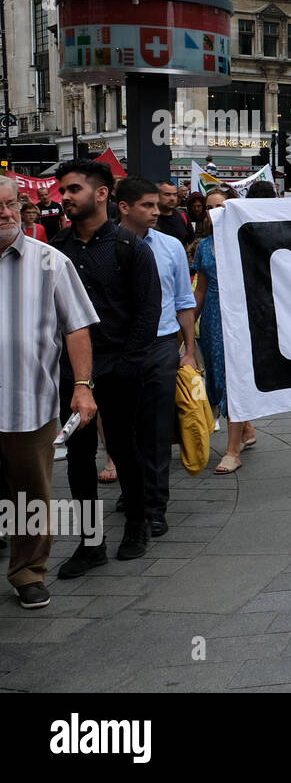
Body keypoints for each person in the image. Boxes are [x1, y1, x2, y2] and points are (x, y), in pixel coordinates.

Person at [49, 159, 161, 576]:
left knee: (125, 450)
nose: (65, 197)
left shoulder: (130, 248)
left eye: (73, 189)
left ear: (101, 195)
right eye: (62, 190)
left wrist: (128, 366)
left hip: (120, 371)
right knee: (78, 459)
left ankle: (137, 526)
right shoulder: (56, 250)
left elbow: (148, 312)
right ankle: (90, 543)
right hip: (70, 374)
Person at [0, 177, 100, 609]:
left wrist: (82, 386)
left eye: (11, 203)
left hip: (29, 402)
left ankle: (27, 572)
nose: (5, 212)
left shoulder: (49, 261)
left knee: (29, 494)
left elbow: (76, 325)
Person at [114, 178, 198, 538]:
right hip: (116, 348)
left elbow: (184, 300)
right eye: (147, 205)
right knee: (122, 428)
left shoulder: (170, 247)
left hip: (162, 344)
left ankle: (155, 505)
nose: (157, 211)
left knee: (157, 428)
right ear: (124, 207)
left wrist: (189, 352)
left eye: (157, 205)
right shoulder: (106, 246)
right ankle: (132, 493)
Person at [193, 185, 258, 474]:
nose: (211, 212)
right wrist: (184, 332)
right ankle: (246, 429)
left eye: (218, 206)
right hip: (211, 319)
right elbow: (200, 290)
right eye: (208, 206)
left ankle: (233, 451)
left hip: (241, 316)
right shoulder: (205, 246)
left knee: (235, 380)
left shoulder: (245, 240)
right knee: (218, 378)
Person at [153, 180, 190, 245]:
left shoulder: (183, 216)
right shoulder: (151, 218)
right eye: (167, 194)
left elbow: (191, 242)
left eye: (175, 194)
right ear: (157, 196)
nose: (172, 198)